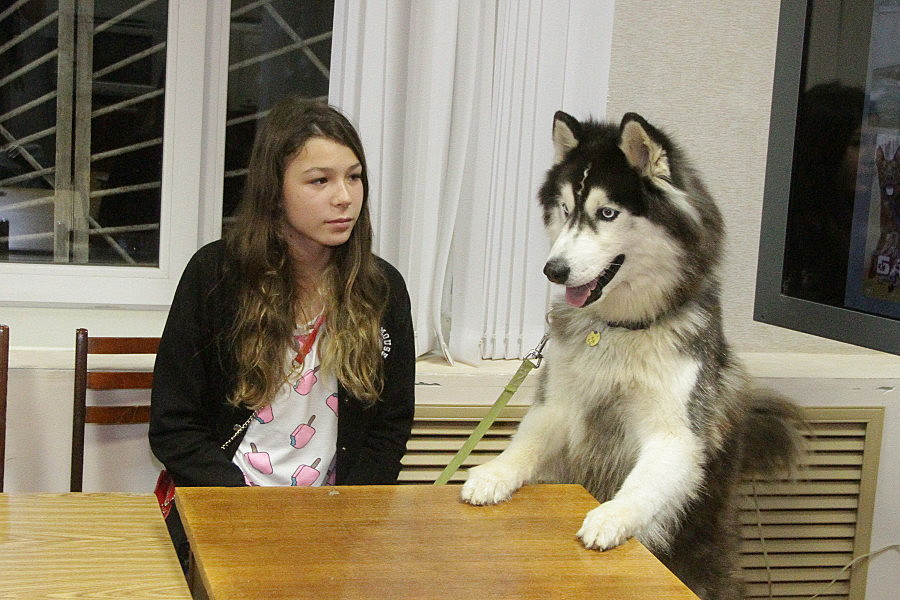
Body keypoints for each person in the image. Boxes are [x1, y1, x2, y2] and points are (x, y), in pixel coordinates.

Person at [149, 97, 416, 568]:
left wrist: (345, 514)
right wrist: (246, 509)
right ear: (275, 191)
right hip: (226, 511)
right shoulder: (215, 274)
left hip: (333, 524)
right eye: (320, 180)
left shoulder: (382, 288)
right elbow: (174, 427)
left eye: (354, 177)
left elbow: (389, 428)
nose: (344, 197)